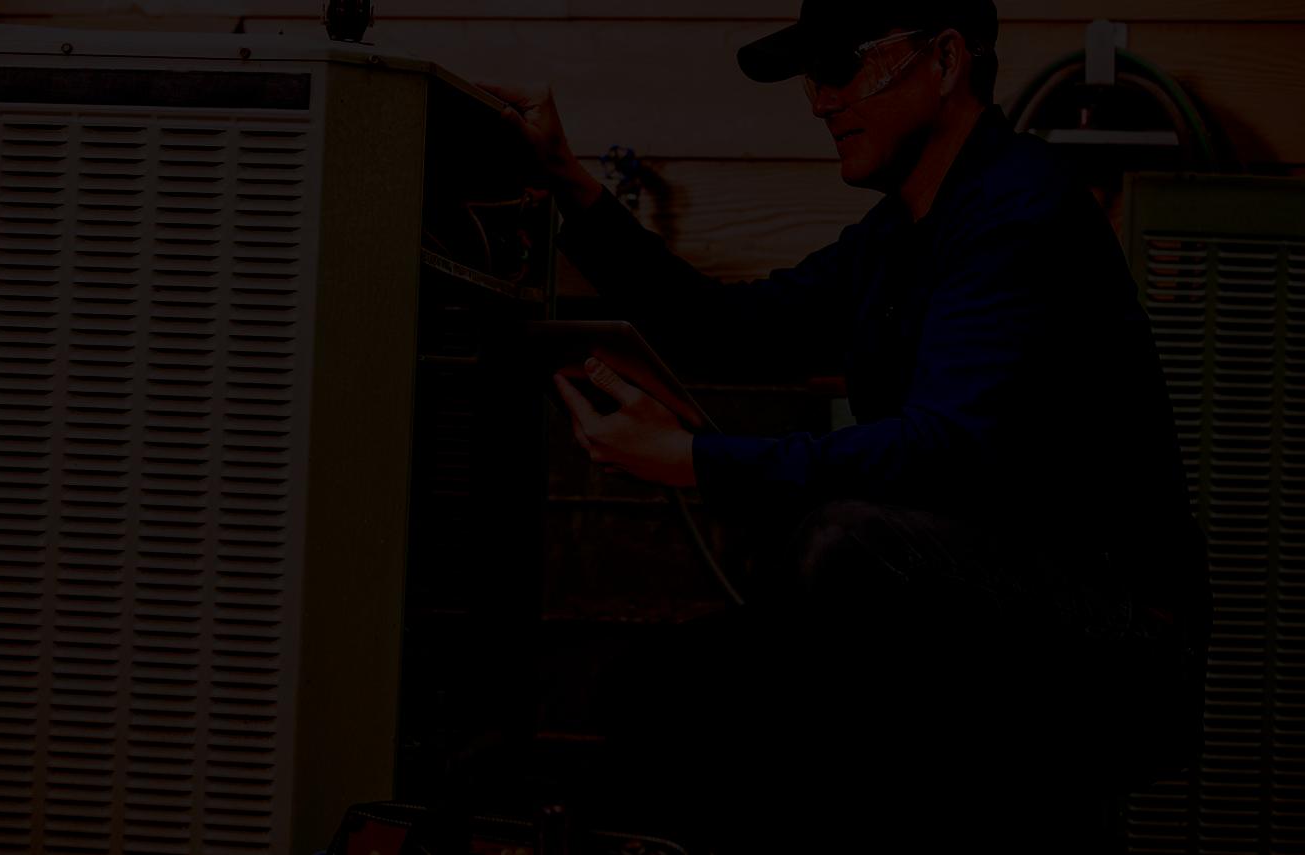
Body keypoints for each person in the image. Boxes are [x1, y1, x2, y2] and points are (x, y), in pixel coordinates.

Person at [481, 1, 1212, 851]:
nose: (819, 100)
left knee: (843, 545)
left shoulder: (1023, 211)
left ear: (945, 61)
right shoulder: (894, 236)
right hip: (966, 602)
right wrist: (571, 183)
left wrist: (695, 460)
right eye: (810, 76)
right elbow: (724, 328)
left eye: (839, 68)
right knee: (658, 690)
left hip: (1113, 634)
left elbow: (942, 450)